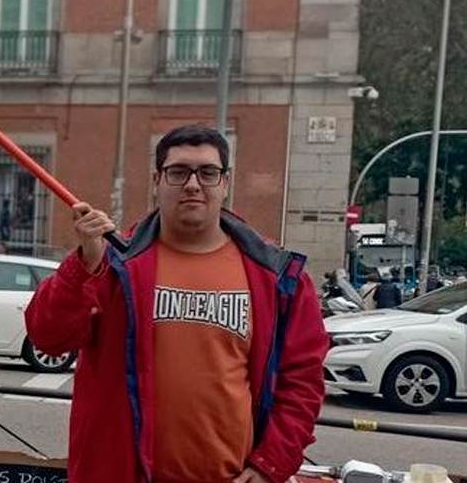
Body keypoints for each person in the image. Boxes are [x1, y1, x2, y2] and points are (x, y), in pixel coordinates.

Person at [25, 124, 327, 483]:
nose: (193, 184)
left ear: (225, 183)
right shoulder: (114, 266)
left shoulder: (276, 277)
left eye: (208, 173)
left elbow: (303, 384)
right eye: (179, 172)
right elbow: (47, 336)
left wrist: (269, 466)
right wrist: (84, 264)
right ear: (157, 180)